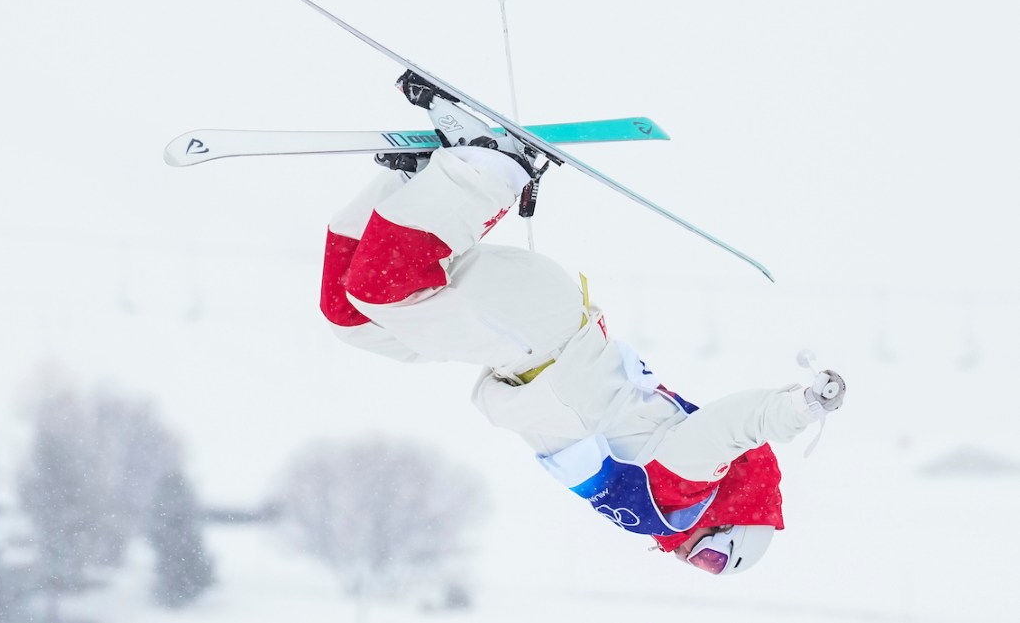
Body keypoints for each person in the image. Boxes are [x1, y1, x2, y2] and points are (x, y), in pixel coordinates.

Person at [318, 71, 846, 575]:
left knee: (352, 316)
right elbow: (733, 427)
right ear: (729, 523)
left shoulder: (651, 506)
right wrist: (799, 408)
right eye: (712, 557)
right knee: (386, 291)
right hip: (538, 333)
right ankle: (491, 166)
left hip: (521, 344)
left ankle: (417, 179)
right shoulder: (681, 494)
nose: (690, 559)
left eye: (704, 570)